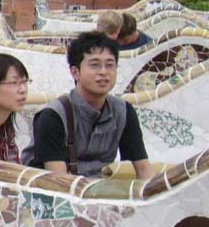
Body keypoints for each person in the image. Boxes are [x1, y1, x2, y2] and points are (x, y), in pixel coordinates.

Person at [23, 31, 156, 179]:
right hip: (52, 193)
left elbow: (144, 169)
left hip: (96, 191)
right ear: (75, 72)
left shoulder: (123, 111)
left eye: (110, 65)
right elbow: (58, 181)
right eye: (95, 65)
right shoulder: (53, 116)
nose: (104, 72)